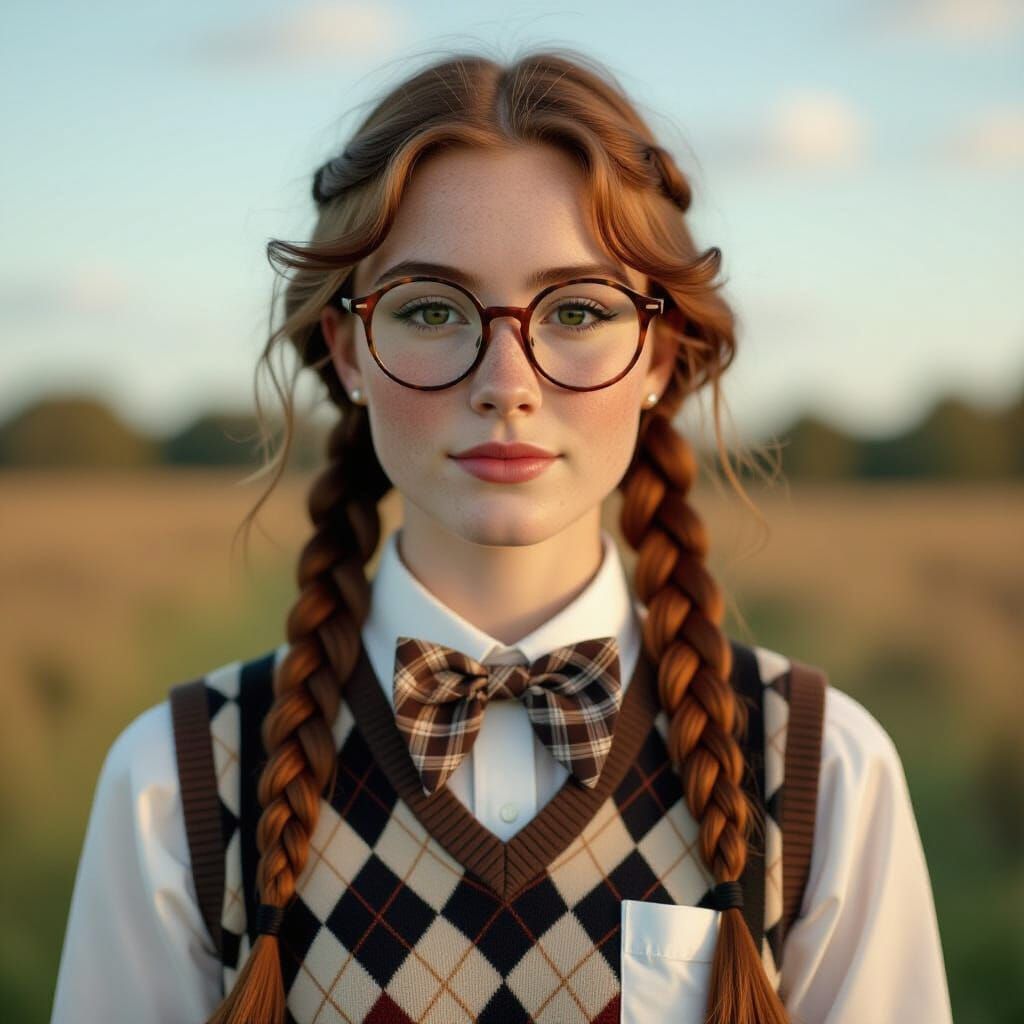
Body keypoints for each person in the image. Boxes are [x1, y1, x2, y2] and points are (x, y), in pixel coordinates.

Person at [50, 48, 953, 1024]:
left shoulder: (821, 772)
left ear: (657, 351)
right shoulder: (176, 783)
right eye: (432, 309)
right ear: (349, 349)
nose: (506, 381)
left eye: (577, 310)